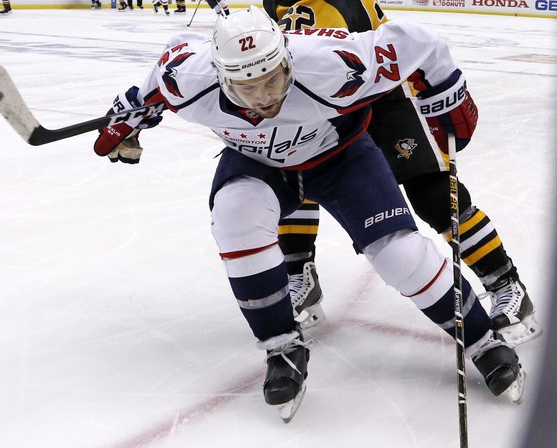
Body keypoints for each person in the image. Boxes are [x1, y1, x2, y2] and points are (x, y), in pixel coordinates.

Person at [93, 7, 525, 419]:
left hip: (340, 156)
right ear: (221, 76)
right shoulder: (187, 75)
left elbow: (422, 43)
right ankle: (282, 346)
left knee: (401, 255)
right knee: (233, 216)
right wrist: (127, 121)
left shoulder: (336, 64)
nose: (264, 98)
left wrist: (446, 97)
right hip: (260, 161)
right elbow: (150, 88)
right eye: (248, 87)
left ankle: (483, 340)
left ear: (287, 57)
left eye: (273, 79)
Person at [264, 0, 542, 345]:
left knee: (432, 192)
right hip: (320, 104)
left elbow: (381, 49)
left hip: (383, 97)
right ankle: (300, 275)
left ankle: (505, 283)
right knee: (295, 175)